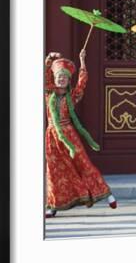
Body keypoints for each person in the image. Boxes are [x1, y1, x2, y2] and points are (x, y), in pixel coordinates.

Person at [44, 50, 117, 218]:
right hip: (52, 136)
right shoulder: (49, 94)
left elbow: (82, 82)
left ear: (68, 80)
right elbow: (44, 77)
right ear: (54, 80)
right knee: (54, 171)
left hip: (69, 134)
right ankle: (53, 205)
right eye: (58, 77)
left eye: (64, 77)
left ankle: (107, 194)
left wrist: (82, 61)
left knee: (83, 164)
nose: (61, 79)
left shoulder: (73, 96)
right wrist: (49, 60)